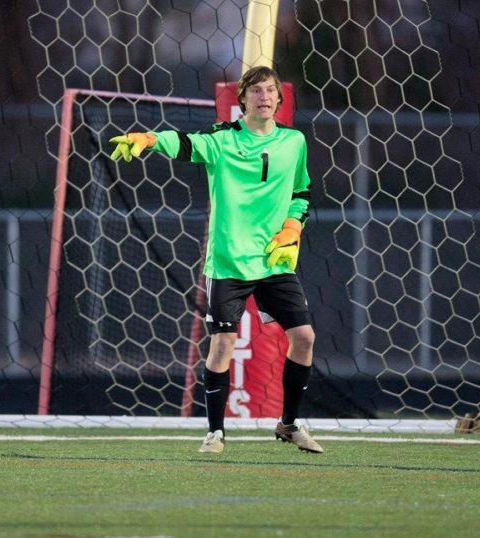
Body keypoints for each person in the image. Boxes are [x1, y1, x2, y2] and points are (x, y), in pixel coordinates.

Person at [109, 66, 323, 454]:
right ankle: (215, 433)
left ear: (279, 99)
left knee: (304, 338)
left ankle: (288, 424)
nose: (263, 97)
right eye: (255, 91)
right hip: (228, 262)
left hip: (274, 262)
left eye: (270, 91)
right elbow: (185, 143)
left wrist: (292, 228)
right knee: (223, 344)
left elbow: (302, 192)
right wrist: (149, 139)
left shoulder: (294, 142)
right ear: (242, 100)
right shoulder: (223, 138)